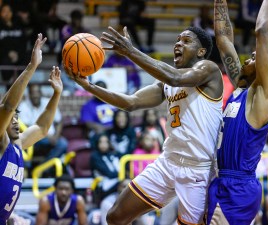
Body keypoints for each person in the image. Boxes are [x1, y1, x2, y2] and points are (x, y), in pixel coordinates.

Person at [64, 25, 223, 224]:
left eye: (186, 41)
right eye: (178, 40)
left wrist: (130, 51)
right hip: (168, 162)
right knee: (116, 216)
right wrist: (88, 86)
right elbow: (131, 103)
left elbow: (176, 78)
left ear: (201, 52)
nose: (178, 44)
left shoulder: (208, 69)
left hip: (197, 169)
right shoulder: (166, 84)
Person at [208, 0, 268, 224]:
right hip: (221, 179)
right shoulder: (241, 88)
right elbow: (223, 41)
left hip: (238, 186)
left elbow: (262, 31)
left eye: (256, 57)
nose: (248, 58)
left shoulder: (264, 96)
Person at [0, 33, 63, 225]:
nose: (16, 121)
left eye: (18, 117)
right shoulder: (1, 142)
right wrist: (32, 66)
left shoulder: (16, 144)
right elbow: (8, 106)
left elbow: (42, 128)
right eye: (12, 118)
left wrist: (56, 94)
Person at [18, 83, 68, 168]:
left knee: (63, 143)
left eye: (37, 92)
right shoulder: (24, 106)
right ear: (29, 94)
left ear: (41, 93)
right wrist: (46, 136)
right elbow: (24, 128)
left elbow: (59, 121)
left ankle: (43, 168)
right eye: (32, 93)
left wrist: (56, 136)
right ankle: (31, 170)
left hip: (51, 139)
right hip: (33, 140)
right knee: (21, 145)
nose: (35, 95)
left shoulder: (49, 102)